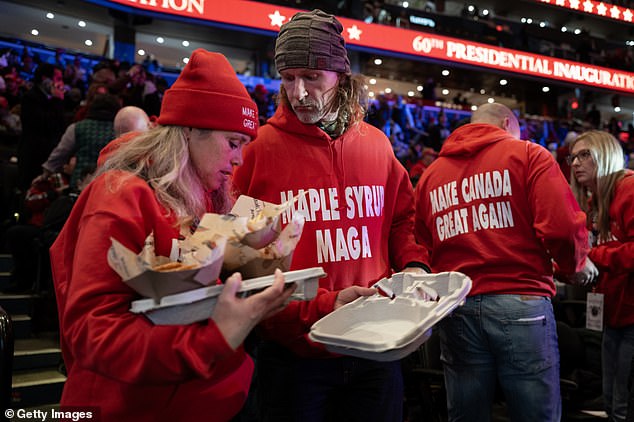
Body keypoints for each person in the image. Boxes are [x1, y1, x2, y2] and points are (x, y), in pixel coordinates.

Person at [50, 49, 374, 421]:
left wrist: (323, 306)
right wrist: (214, 338)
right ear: (188, 131)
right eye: (232, 143)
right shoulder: (119, 195)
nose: (238, 160)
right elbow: (93, 336)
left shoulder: (205, 201)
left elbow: (233, 301)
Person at [233, 10, 430, 422]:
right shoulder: (257, 150)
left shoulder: (376, 144)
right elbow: (239, 260)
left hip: (375, 346)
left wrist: (413, 264)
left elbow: (400, 221)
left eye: (311, 76)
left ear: (340, 75)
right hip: (293, 354)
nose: (298, 92)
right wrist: (317, 307)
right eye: (288, 78)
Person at [414, 102, 598, 422]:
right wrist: (574, 266)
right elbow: (563, 227)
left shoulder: (430, 176)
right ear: (506, 124)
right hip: (520, 300)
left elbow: (421, 246)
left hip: (457, 306)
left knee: (467, 414)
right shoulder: (527, 154)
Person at [568, 130, 634, 422]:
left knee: (623, 403)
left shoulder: (630, 189)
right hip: (614, 310)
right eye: (572, 157)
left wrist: (592, 257)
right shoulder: (595, 201)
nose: (575, 163)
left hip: (631, 312)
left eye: (585, 155)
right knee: (611, 399)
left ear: (605, 156)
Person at [38, 93, 120, 190]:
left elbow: (60, 154)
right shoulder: (120, 130)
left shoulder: (76, 128)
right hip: (111, 186)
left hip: (80, 185)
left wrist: (45, 174)